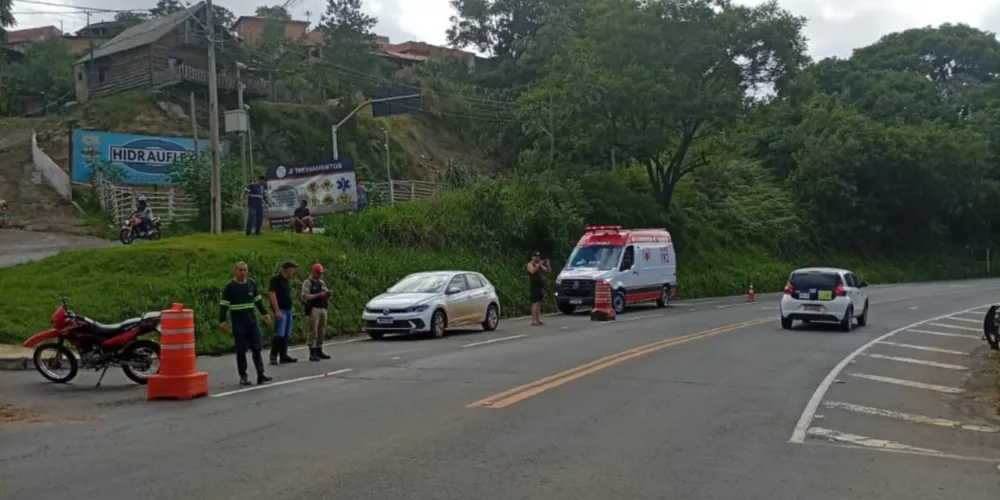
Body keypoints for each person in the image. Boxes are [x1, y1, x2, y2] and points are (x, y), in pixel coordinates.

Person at [219, 261, 273, 386]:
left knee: (257, 348)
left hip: (252, 322)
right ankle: (243, 376)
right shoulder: (230, 287)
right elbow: (224, 305)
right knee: (241, 350)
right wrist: (222, 320)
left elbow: (258, 300)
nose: (243, 272)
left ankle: (261, 374)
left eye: (245, 270)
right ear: (235, 271)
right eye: (240, 270)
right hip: (238, 323)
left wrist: (264, 313)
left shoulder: (251, 284)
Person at [268, 261, 298, 365]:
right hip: (281, 310)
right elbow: (272, 294)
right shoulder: (276, 279)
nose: (293, 271)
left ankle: (283, 355)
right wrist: (276, 310)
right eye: (292, 269)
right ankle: (273, 355)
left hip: (288, 310)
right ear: (287, 269)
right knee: (279, 334)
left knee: (286, 334)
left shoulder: (286, 281)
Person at [301, 262, 331, 362]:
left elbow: (325, 291)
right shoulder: (308, 282)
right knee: (313, 330)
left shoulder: (321, 282)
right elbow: (305, 296)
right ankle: (312, 351)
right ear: (313, 272)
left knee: (321, 330)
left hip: (323, 307)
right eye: (318, 273)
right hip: (314, 308)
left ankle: (319, 349)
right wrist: (318, 295)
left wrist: (327, 294)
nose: (320, 275)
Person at [526, 252, 550, 326]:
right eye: (535, 256)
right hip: (534, 286)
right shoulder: (530, 264)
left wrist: (548, 264)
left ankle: (538, 319)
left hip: (539, 286)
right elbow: (532, 271)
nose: (537, 258)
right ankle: (533, 320)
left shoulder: (540, 265)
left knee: (539, 303)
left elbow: (548, 271)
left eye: (538, 256)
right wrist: (539, 265)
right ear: (532, 257)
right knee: (534, 303)